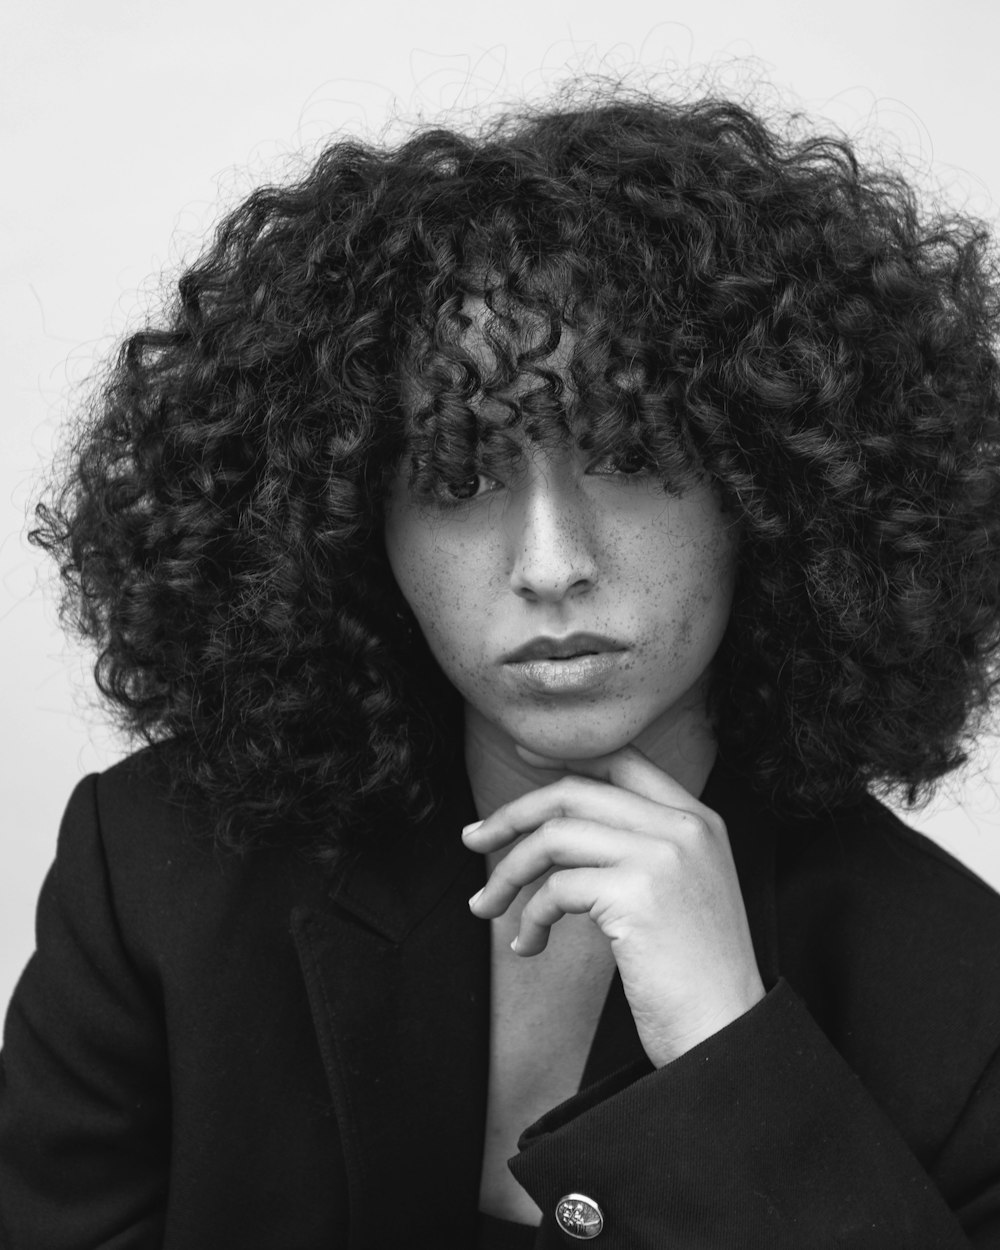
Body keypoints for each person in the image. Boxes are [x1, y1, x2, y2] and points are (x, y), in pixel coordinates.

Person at [2, 80, 999, 1249]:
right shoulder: (157, 874)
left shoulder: (956, 991)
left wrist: (732, 1053)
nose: (552, 562)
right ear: (345, 521)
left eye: (632, 455)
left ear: (770, 488)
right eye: (458, 474)